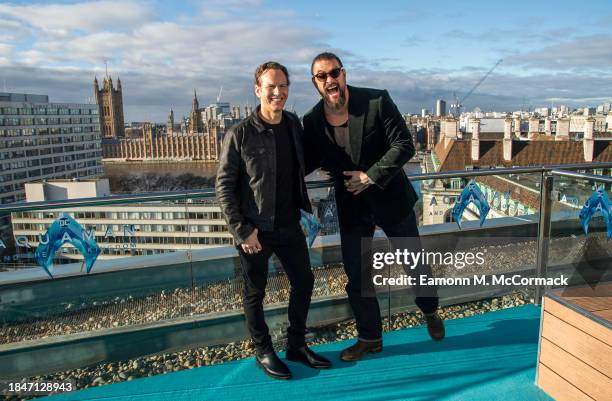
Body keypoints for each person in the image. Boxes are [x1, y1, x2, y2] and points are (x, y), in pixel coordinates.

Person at [302, 52, 445, 362]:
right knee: (358, 275)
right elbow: (305, 161)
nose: (330, 80)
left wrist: (370, 176)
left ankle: (431, 311)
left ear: (344, 73)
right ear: (315, 83)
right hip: (352, 207)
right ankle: (370, 338)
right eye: (322, 76)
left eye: (334, 73)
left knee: (415, 264)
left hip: (390, 197)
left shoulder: (376, 101)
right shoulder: (312, 120)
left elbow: (404, 144)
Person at [216, 61, 331, 380]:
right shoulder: (239, 134)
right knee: (255, 292)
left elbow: (302, 163)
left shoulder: (293, 123)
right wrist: (242, 231)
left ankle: (296, 345)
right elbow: (223, 186)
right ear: (258, 90)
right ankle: (263, 350)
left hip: (289, 224)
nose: (278, 92)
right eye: (271, 86)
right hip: (255, 230)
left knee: (304, 282)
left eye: (283, 86)